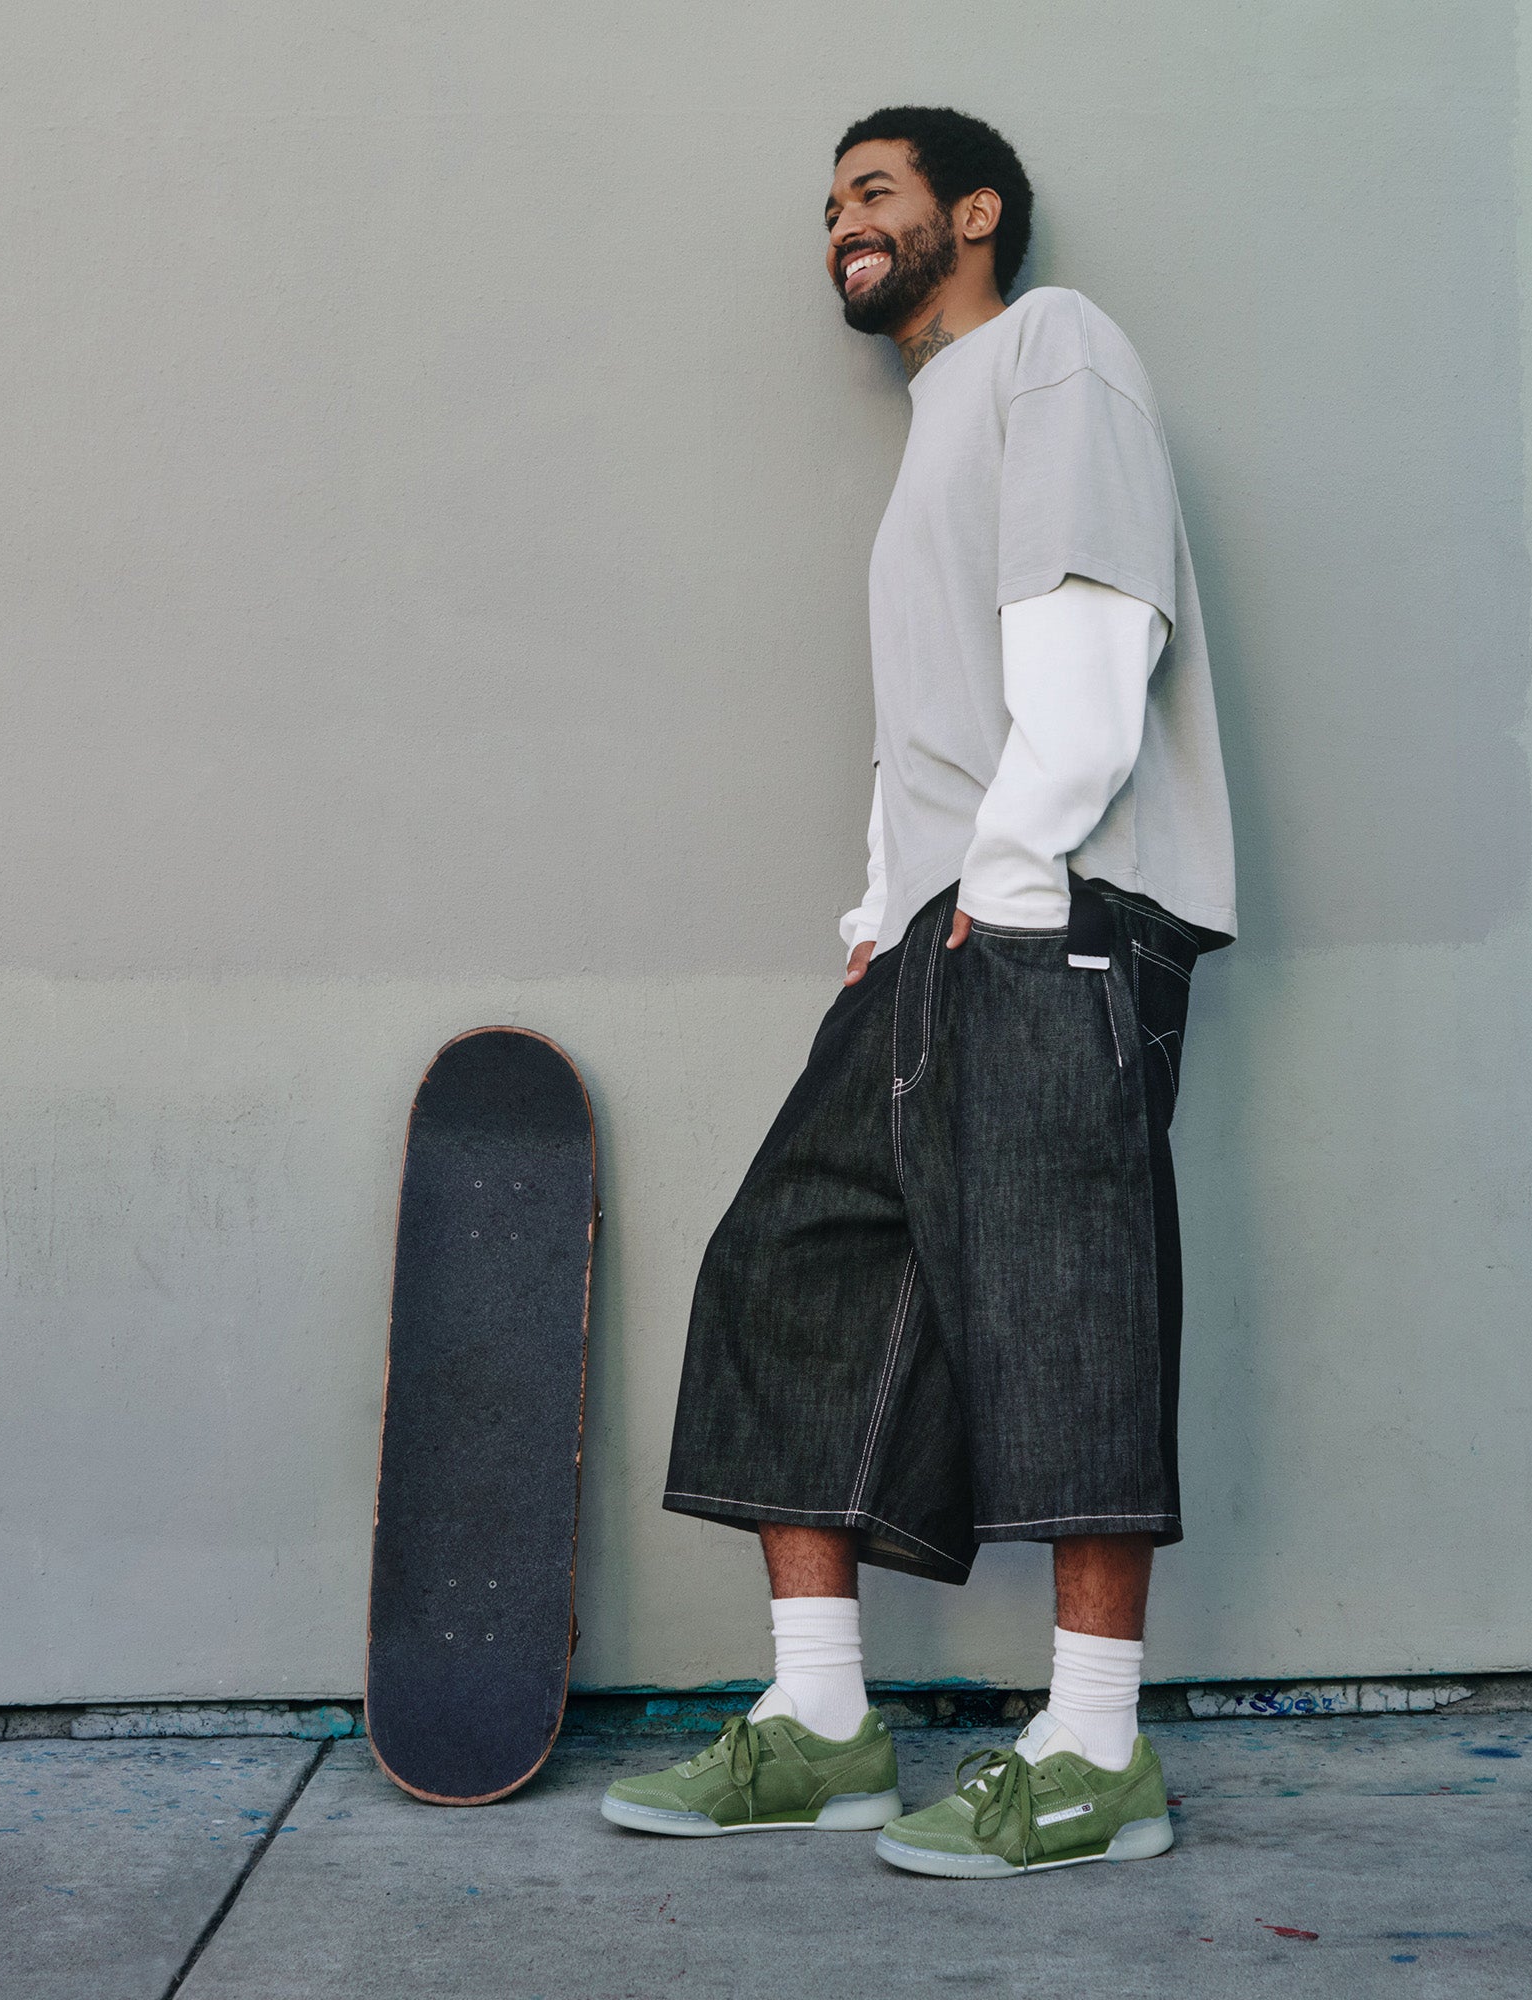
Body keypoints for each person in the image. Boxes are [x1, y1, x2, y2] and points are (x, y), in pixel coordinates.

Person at [602, 105, 1235, 1878]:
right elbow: (932, 713)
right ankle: (820, 1722)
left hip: (1060, 911)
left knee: (1065, 1303)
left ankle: (1095, 1752)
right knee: (789, 1264)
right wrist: (890, 906)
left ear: (975, 212)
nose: (840, 229)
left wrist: (1021, 867)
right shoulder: (935, 420)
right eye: (826, 209)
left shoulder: (1058, 349)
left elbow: (1096, 637)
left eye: (871, 194)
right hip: (948, 929)